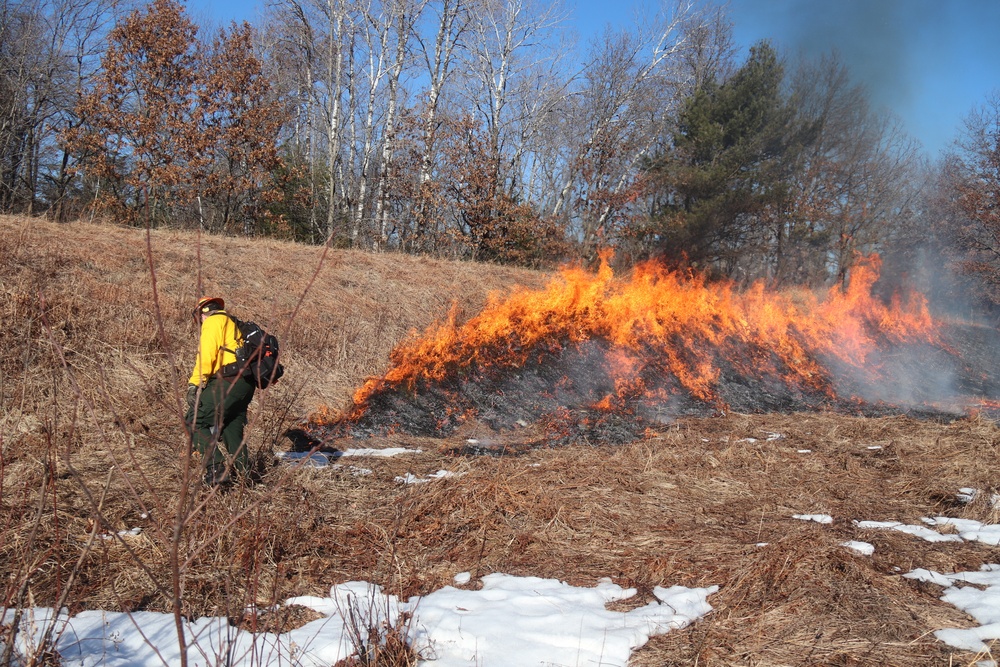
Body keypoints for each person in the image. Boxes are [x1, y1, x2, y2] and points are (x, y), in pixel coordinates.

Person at [185, 296, 255, 488]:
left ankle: (216, 468)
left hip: (228, 381)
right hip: (246, 384)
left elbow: (207, 353)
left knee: (193, 420)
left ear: (203, 313)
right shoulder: (233, 324)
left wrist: (195, 384)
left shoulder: (214, 321)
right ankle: (245, 477)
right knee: (231, 426)